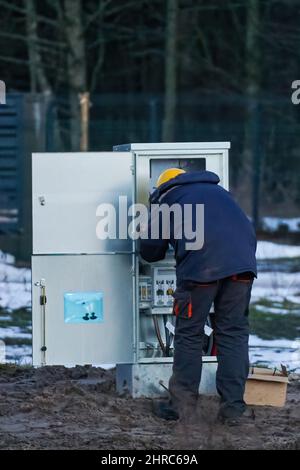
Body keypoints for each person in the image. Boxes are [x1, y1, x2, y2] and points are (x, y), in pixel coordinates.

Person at [139, 168, 257, 424]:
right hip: (242, 267)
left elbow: (149, 252)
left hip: (201, 271)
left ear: (163, 187)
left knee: (189, 333)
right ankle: (234, 410)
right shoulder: (220, 193)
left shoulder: (168, 199)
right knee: (233, 333)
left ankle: (180, 407)